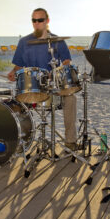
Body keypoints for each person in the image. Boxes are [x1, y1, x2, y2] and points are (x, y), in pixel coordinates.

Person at [7, 8, 77, 151]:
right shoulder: (24, 42)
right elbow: (19, 65)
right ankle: (21, 140)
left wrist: (55, 73)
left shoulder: (57, 42)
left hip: (52, 88)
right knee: (13, 103)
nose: (37, 23)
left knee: (71, 98)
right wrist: (13, 72)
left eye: (40, 20)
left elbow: (66, 62)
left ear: (47, 21)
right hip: (31, 88)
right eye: (34, 20)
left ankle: (70, 141)